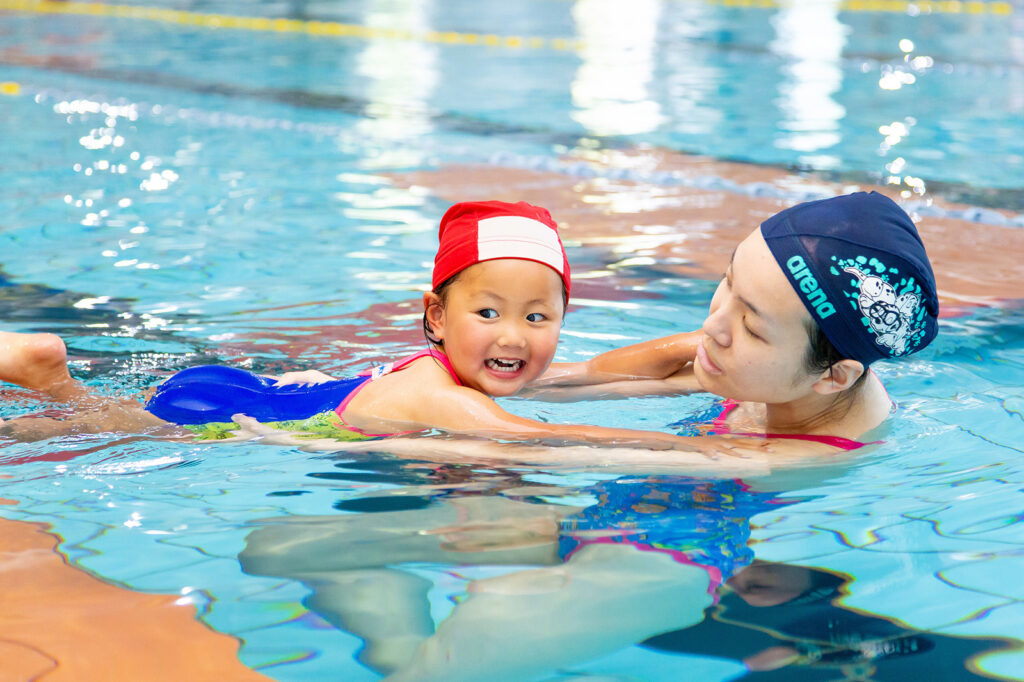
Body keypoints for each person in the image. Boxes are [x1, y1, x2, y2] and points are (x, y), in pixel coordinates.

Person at [0, 200, 751, 457]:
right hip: (206, 412)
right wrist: (718, 449)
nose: (513, 336)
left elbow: (622, 367)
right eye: (487, 313)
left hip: (252, 389)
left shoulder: (467, 369)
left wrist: (712, 344)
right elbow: (542, 439)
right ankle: (46, 375)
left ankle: (51, 380)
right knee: (91, 425)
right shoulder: (446, 397)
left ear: (561, 321)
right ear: (436, 317)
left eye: (537, 317)